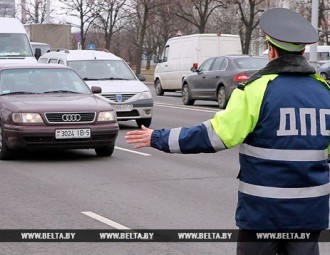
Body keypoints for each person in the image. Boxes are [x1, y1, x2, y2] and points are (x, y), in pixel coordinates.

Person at [125, 8, 330, 255]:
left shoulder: (256, 90)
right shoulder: (324, 93)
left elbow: (214, 136)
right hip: (309, 214)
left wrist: (157, 137)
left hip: (262, 216)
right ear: (303, 51)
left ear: (272, 50)